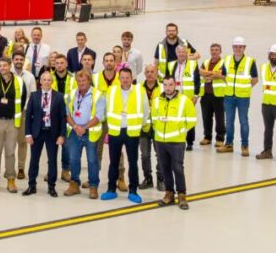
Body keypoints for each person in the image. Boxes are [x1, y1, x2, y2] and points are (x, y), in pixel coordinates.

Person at [100, 64, 145, 204]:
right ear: (119, 78)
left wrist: (139, 125)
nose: (125, 80)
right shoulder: (112, 90)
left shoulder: (139, 91)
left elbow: (146, 111)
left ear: (132, 78)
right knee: (113, 162)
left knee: (133, 162)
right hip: (115, 131)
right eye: (123, 77)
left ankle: (133, 191)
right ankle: (111, 189)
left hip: (132, 132)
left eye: (127, 77)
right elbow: (105, 108)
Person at [151, 74, 197, 208]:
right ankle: (169, 193)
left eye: (170, 85)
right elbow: (154, 118)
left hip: (177, 141)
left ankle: (182, 195)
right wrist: (159, 131)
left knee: (177, 168)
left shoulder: (184, 101)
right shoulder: (158, 100)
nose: (168, 88)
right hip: (160, 141)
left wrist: (180, 131)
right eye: (165, 85)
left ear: (175, 85)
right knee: (165, 168)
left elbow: (192, 120)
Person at [62, 64, 105, 198]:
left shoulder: (98, 95)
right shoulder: (72, 94)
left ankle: (93, 186)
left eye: (84, 80)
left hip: (90, 132)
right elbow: (67, 113)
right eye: (79, 81)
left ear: (89, 81)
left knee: (92, 160)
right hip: (74, 131)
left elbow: (99, 117)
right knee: (73, 159)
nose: (81, 83)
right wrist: (76, 127)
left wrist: (84, 128)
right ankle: (74, 184)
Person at [22, 68, 65, 197]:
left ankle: (52, 186)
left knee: (52, 160)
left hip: (52, 133)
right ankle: (31, 185)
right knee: (34, 160)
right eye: (44, 80)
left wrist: (62, 135)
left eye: (49, 80)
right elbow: (28, 116)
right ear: (40, 81)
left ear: (52, 82)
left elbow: (63, 117)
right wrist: (28, 134)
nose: (46, 82)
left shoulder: (59, 96)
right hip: (37, 132)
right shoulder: (34, 96)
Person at [0, 57, 24, 193]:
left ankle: (11, 179)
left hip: (12, 122)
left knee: (10, 151)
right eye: (0, 66)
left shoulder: (19, 81)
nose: (2, 68)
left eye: (5, 65)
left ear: (10, 66)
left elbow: (23, 99)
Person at [218, 36, 259, 155]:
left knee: (243, 121)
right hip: (229, 96)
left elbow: (255, 79)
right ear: (232, 47)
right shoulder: (227, 60)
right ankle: (229, 144)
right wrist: (231, 86)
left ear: (244, 48)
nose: (238, 49)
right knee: (229, 121)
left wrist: (244, 88)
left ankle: (245, 146)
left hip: (243, 98)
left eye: (240, 47)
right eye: (235, 46)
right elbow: (223, 76)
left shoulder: (250, 61)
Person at [198, 42, 229, 147]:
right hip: (205, 94)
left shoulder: (224, 63)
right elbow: (200, 72)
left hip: (219, 95)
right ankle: (207, 137)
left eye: (216, 50)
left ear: (220, 51)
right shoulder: (206, 62)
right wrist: (213, 74)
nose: (214, 52)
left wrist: (208, 75)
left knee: (220, 118)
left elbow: (221, 75)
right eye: (212, 50)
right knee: (206, 117)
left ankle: (220, 138)